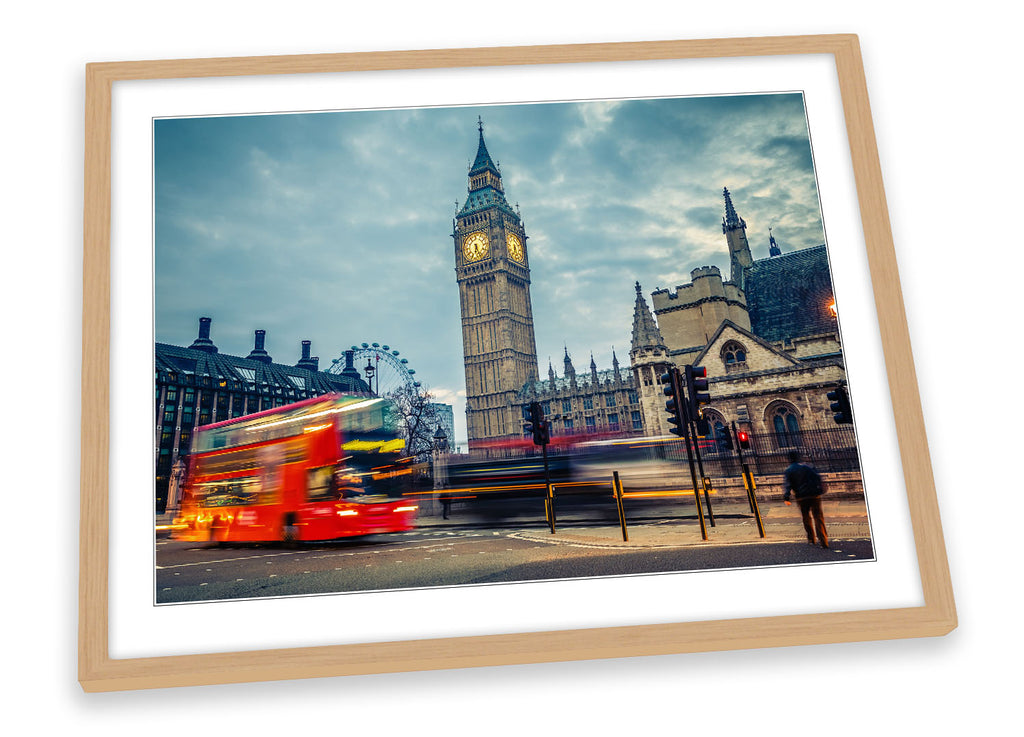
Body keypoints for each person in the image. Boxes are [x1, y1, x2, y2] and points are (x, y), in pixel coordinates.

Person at [782, 450, 829, 548]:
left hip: (801, 497)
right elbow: (818, 478)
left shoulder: (789, 470)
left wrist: (786, 497)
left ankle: (811, 539)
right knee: (818, 517)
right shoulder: (808, 466)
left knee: (806, 517)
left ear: (789, 459)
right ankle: (824, 541)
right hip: (814, 495)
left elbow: (788, 485)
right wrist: (820, 490)